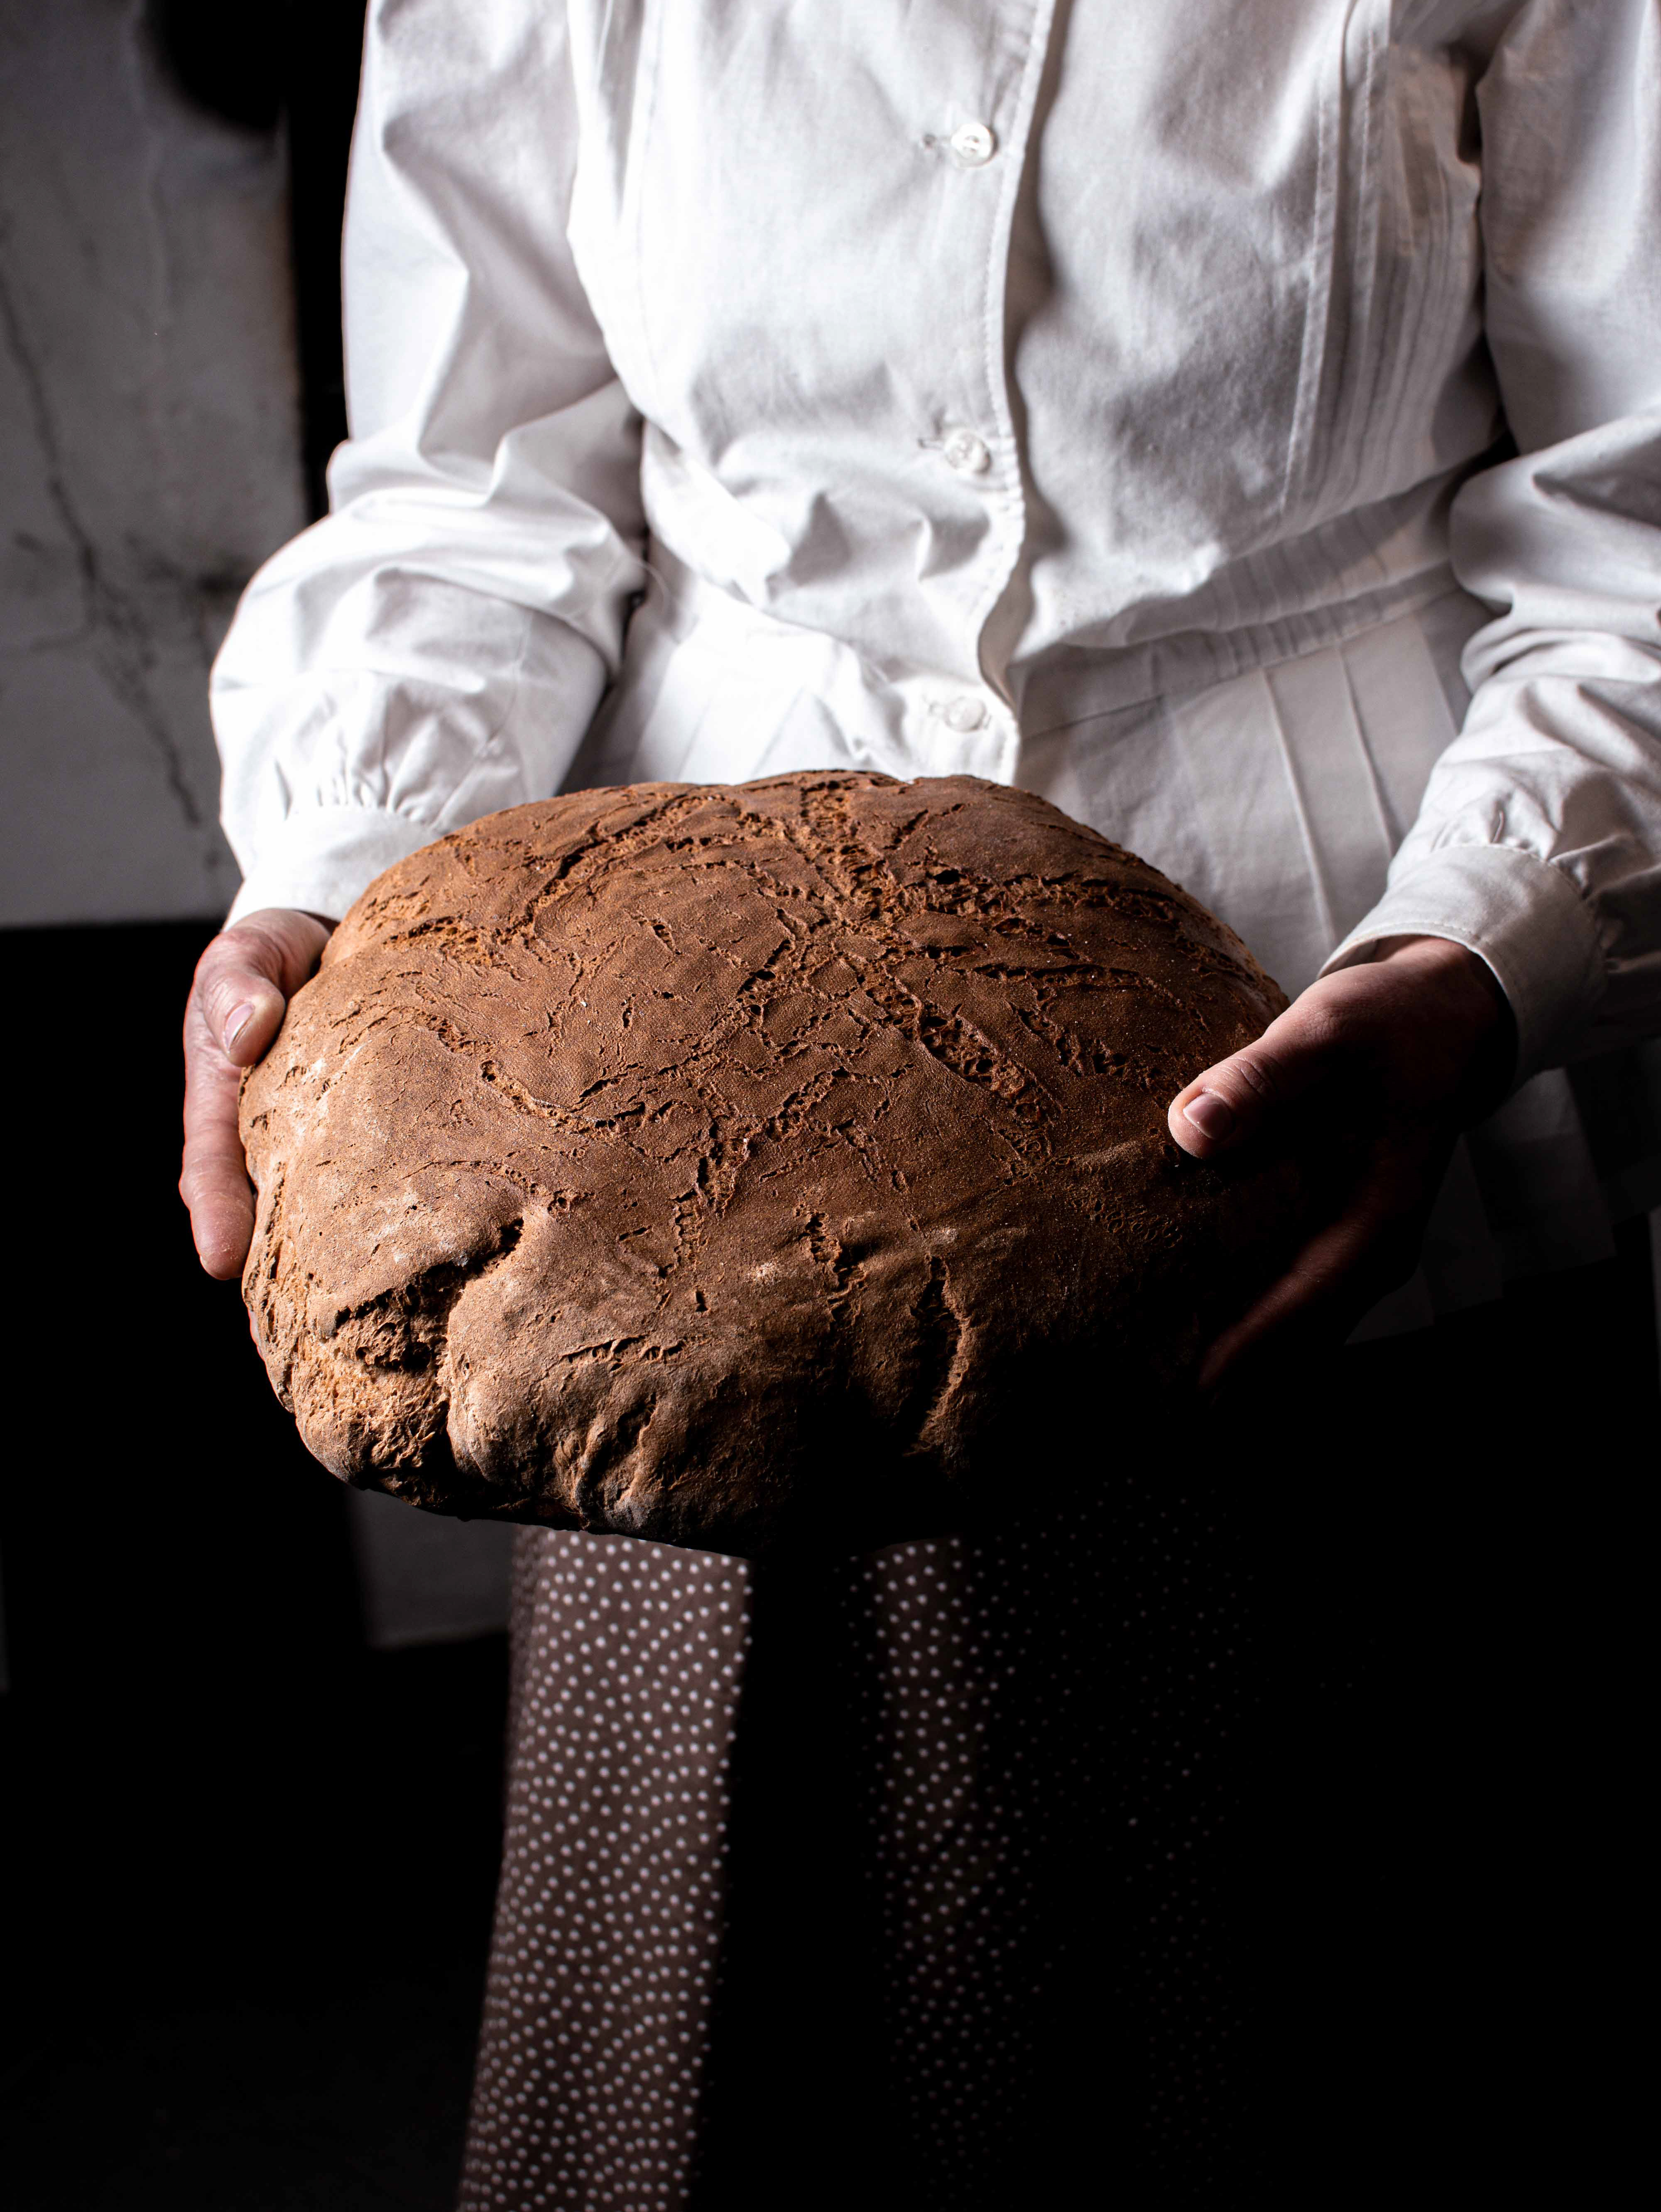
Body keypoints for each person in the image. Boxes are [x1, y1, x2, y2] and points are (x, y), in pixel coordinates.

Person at [180, 3, 1661, 2201]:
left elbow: (1639, 526)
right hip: (678, 1161)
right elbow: (474, 502)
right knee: (744, 2023)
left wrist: (1485, 944)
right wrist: (334, 892)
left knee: (1354, 1985)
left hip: (1353, 1026)